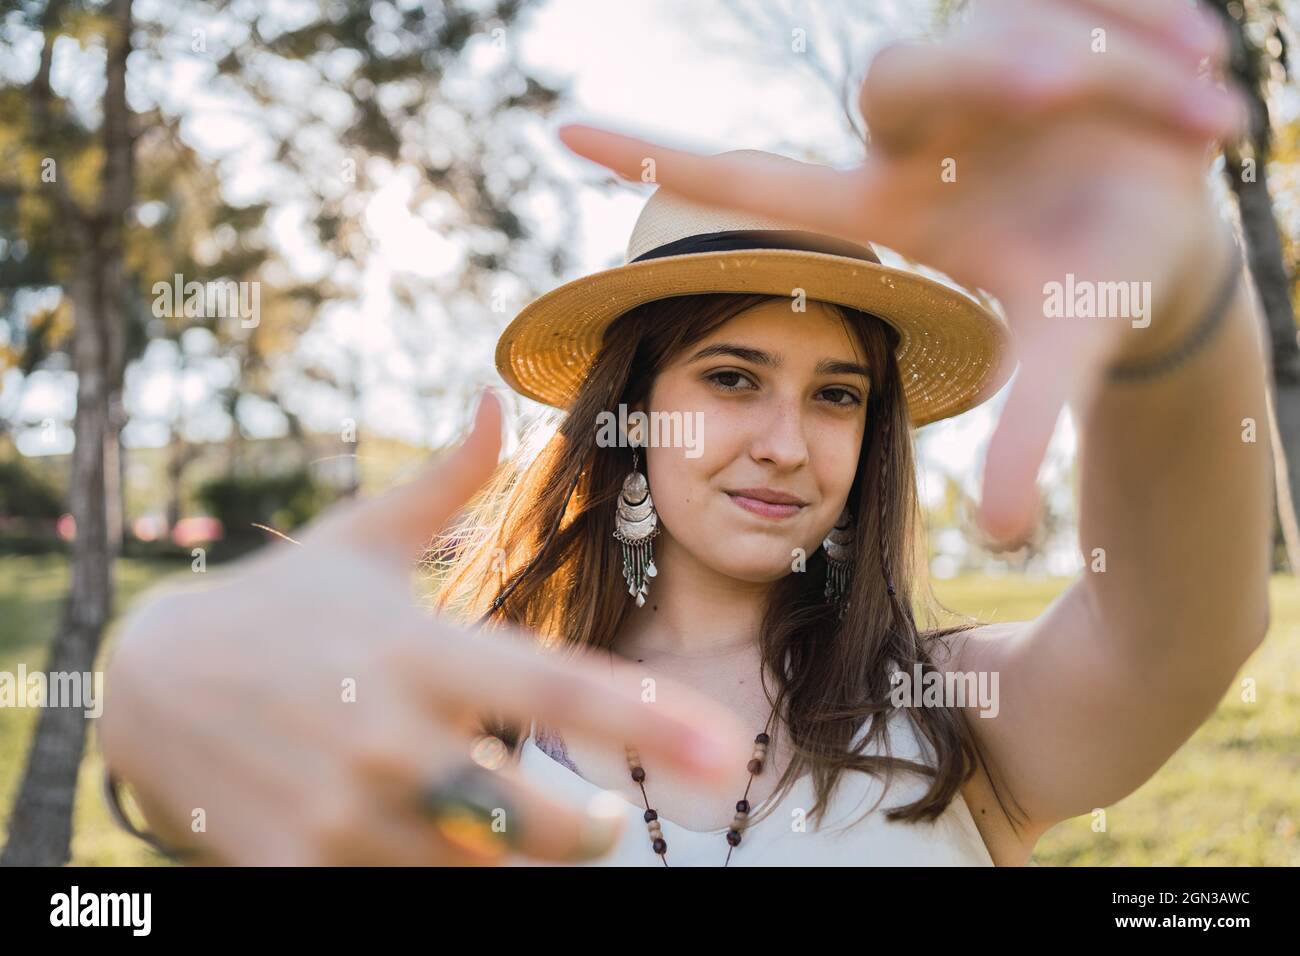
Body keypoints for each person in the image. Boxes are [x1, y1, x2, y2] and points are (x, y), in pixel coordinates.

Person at [99, 0, 1272, 866]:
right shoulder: (468, 716)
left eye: (836, 394)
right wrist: (150, 696)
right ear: (630, 408)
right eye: (731, 374)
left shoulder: (950, 714)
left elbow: (1177, 628)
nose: (783, 439)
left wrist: (1176, 303)